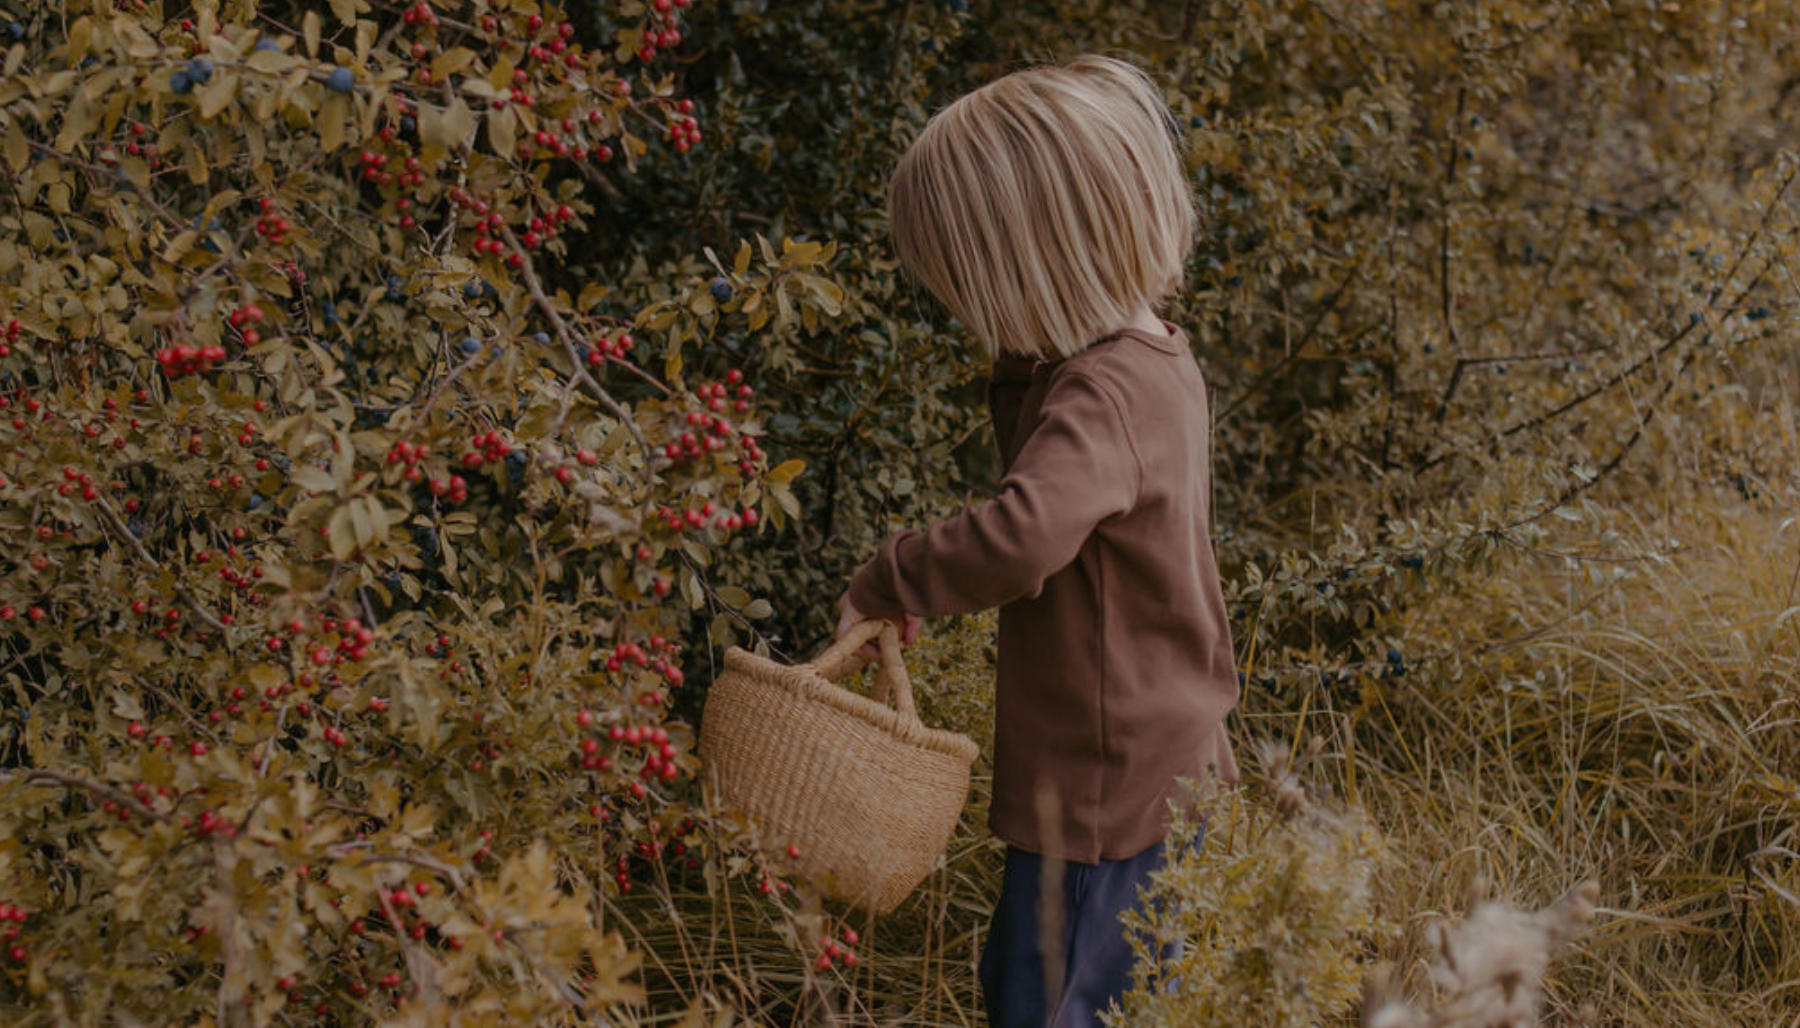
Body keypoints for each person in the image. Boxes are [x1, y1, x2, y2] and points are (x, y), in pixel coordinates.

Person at [835, 54, 1241, 1028]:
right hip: (1170, 764)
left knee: (1047, 999)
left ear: (1028, 265)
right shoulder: (1151, 363)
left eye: (971, 287)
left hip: (1102, 799)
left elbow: (1021, 537)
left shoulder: (1097, 394)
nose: (967, 312)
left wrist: (894, 572)